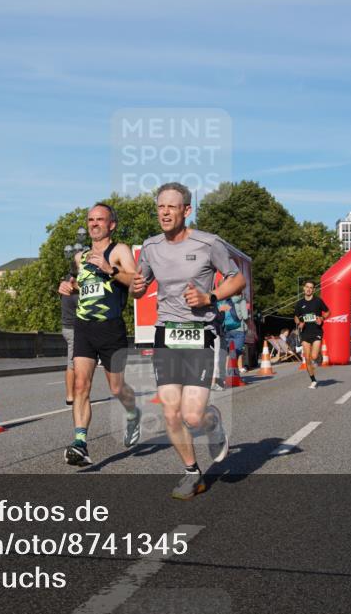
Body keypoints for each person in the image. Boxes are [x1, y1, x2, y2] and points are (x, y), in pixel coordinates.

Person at [131, 182, 246, 500]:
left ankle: (213, 423)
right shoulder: (150, 246)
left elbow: (237, 279)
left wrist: (210, 295)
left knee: (192, 415)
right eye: (160, 207)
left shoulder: (209, 243)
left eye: (171, 206)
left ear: (186, 210)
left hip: (200, 333)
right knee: (170, 411)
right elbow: (139, 287)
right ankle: (192, 473)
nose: (164, 212)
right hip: (166, 332)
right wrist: (136, 287)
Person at [57, 203, 141, 466]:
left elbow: (136, 282)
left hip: (111, 327)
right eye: (90, 219)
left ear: (111, 225)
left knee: (117, 388)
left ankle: (132, 413)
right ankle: (80, 442)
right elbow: (86, 287)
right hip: (84, 327)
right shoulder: (79, 257)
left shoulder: (120, 251)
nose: (94, 224)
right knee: (81, 385)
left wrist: (110, 269)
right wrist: (70, 287)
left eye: (99, 220)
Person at [293, 281, 329, 389]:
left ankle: (319, 356)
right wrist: (299, 323)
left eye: (311, 288)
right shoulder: (299, 304)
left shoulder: (318, 301)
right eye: (307, 287)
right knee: (307, 358)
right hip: (305, 333)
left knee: (313, 356)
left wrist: (322, 318)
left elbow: (327, 312)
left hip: (317, 332)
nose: (309, 289)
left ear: (313, 290)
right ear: (304, 289)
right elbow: (295, 317)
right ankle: (313, 380)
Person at [59, 270, 79, 405]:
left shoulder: (66, 283)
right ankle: (70, 396)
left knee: (74, 362)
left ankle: (73, 395)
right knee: (72, 364)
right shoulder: (72, 287)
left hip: (68, 327)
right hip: (74, 329)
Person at [218, 291, 248, 373]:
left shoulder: (226, 301)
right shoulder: (241, 300)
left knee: (229, 352)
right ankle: (235, 372)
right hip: (239, 328)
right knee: (237, 351)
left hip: (227, 328)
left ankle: (226, 372)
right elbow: (245, 316)